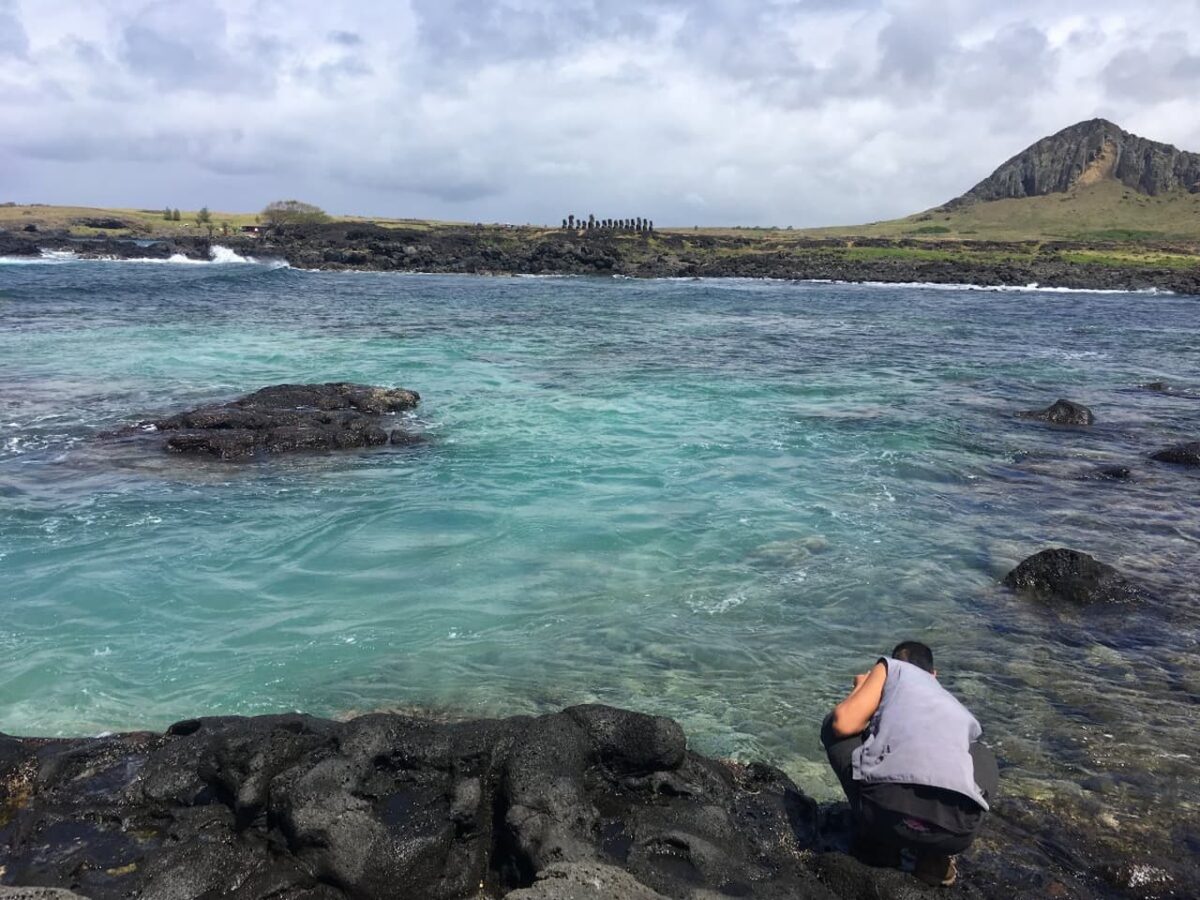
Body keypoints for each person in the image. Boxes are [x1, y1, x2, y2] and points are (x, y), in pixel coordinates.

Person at [821, 641, 999, 887]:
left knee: (833, 725)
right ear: (934, 674)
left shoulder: (891, 667)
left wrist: (861, 687)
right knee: (979, 753)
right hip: (955, 833)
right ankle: (934, 859)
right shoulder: (953, 706)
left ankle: (880, 845)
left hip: (882, 817)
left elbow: (843, 723)